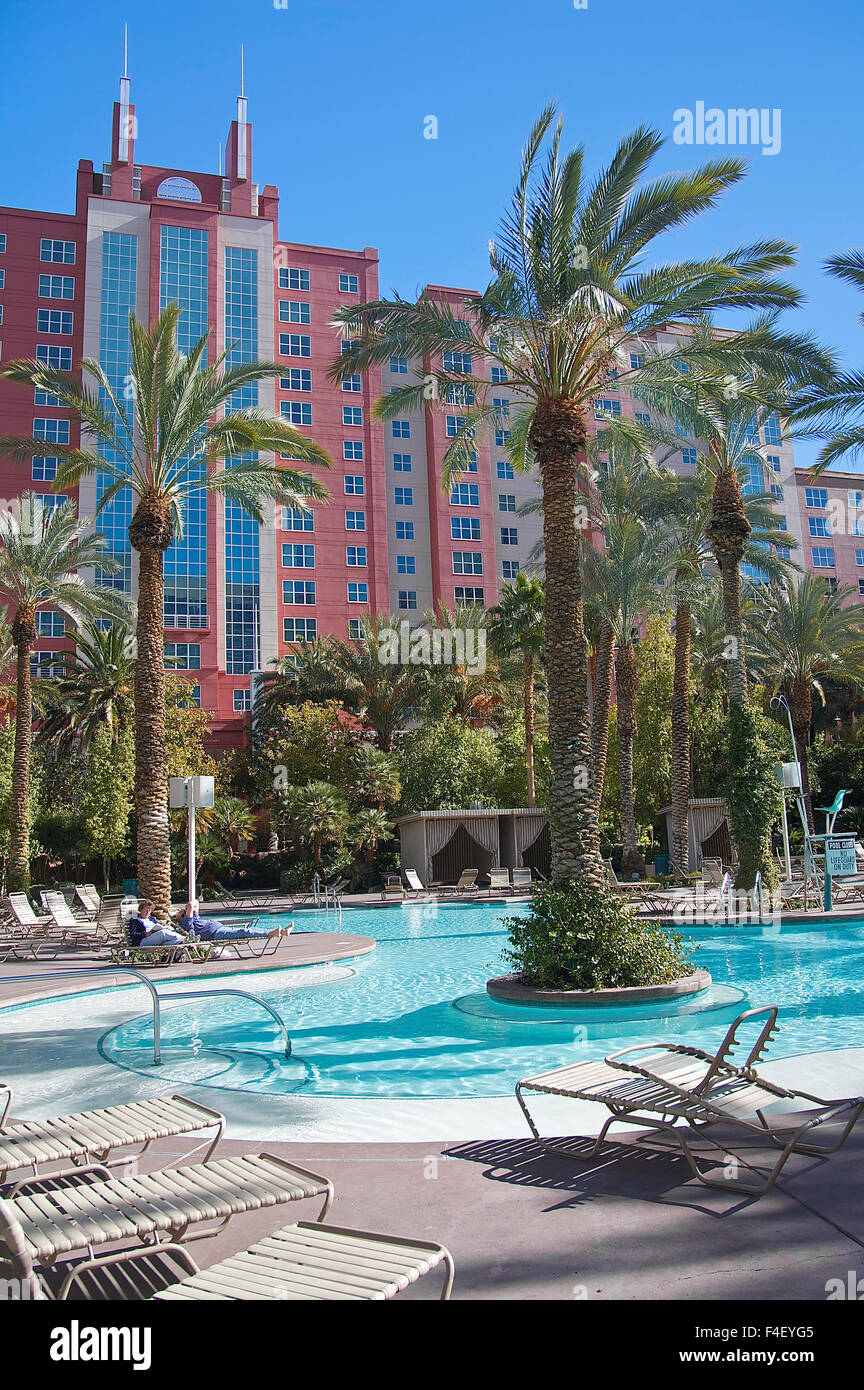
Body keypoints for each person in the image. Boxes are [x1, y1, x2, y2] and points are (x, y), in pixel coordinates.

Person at [178, 900, 285, 944]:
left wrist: (190, 906)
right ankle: (270, 933)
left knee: (245, 930)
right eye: (182, 912)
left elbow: (195, 903)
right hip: (215, 934)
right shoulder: (187, 923)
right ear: (183, 916)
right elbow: (192, 906)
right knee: (243, 932)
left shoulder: (193, 918)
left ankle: (281, 932)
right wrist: (188, 907)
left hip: (218, 929)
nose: (182, 910)